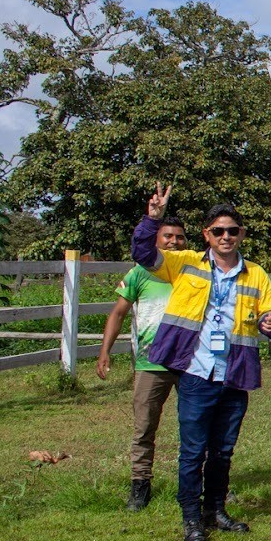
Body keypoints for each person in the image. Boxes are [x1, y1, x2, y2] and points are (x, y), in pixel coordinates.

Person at [131, 186, 271, 541]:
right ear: (207, 235)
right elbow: (141, 252)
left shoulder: (257, 274)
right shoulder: (183, 262)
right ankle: (190, 520)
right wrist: (152, 217)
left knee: (223, 451)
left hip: (235, 375)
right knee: (192, 451)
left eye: (233, 231)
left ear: (242, 234)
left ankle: (214, 510)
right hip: (197, 374)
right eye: (218, 231)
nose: (226, 237)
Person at [97, 214, 187, 511]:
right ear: (155, 240)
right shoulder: (139, 273)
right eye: (167, 237)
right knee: (144, 428)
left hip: (191, 363)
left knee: (198, 427)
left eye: (179, 237)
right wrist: (105, 350)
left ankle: (205, 485)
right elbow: (119, 313)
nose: (174, 242)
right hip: (150, 364)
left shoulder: (193, 271)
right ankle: (140, 486)